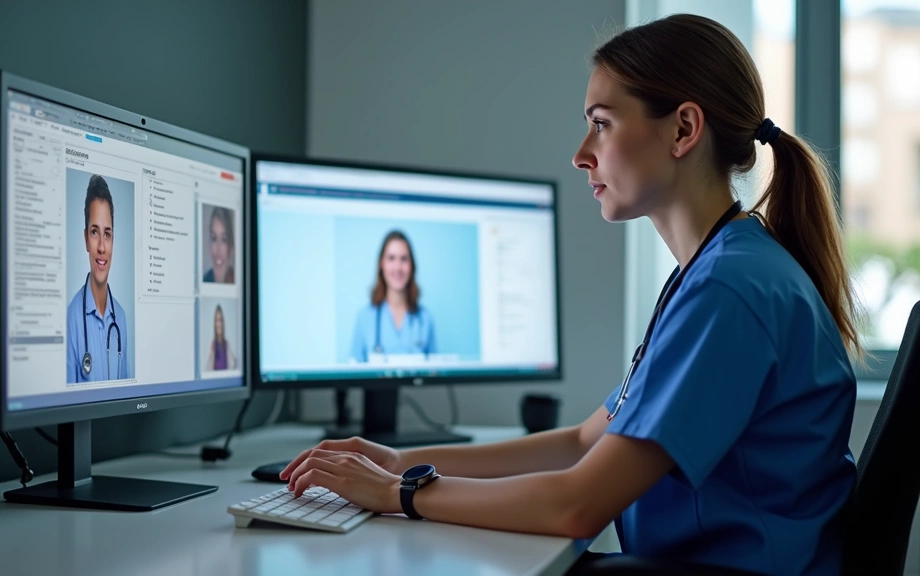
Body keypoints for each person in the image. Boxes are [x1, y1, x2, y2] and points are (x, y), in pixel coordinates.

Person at [281, 14, 860, 575]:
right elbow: (586, 441)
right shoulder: (719, 268)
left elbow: (576, 504)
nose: (582, 153)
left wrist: (400, 493)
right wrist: (401, 461)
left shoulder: (729, 290)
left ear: (684, 129)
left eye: (602, 123)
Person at [67, 174, 130, 383]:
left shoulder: (121, 317)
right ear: (86, 239)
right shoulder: (71, 319)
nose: (102, 247)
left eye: (107, 234)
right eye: (95, 232)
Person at [349, 230, 436, 363]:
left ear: (411, 265)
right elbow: (353, 374)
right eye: (391, 258)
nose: (398, 267)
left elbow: (435, 375)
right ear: (381, 264)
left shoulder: (425, 318)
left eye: (404, 259)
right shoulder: (364, 317)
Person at [203, 206, 235, 284]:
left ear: (231, 244)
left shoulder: (239, 280)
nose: (218, 250)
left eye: (224, 239)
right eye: (214, 238)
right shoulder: (205, 279)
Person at [206, 304, 238, 371]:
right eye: (216, 320)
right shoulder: (213, 344)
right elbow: (207, 369)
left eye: (220, 320)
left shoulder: (227, 344)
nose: (218, 324)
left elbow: (233, 364)